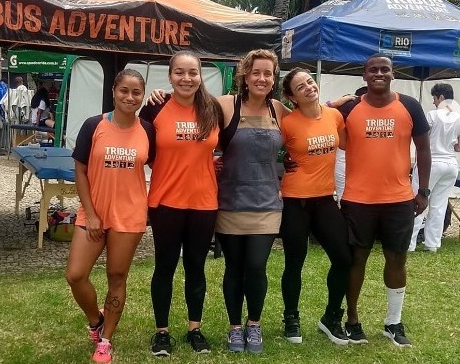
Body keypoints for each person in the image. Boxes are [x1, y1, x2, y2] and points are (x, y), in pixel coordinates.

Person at [340, 54, 431, 348]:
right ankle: (352, 320)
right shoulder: (350, 108)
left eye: (384, 69)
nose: (379, 73)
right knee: (357, 259)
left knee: (397, 258)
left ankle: (393, 322)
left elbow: (423, 149)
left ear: (393, 74)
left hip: (399, 199)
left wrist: (423, 191)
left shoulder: (410, 106)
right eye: (373, 70)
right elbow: (320, 125)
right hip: (358, 200)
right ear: (364, 76)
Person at [66, 69, 155, 364]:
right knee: (76, 275)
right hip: (94, 213)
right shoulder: (94, 125)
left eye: (136, 92)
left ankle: (105, 340)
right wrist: (91, 215)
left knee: (117, 276)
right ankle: (96, 320)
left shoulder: (148, 130)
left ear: (142, 96)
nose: (130, 97)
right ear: (114, 92)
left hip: (129, 216)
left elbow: (164, 165)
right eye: (124, 91)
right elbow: (80, 171)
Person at [139, 50, 221, 357]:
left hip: (204, 202)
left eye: (192, 72)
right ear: (170, 76)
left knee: (196, 267)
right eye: (179, 72)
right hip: (166, 202)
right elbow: (141, 149)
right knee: (165, 266)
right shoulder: (155, 107)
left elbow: (228, 143)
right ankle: (162, 332)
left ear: (200, 75)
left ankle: (194, 329)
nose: (186, 78)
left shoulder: (213, 108)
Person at [212, 49, 290, 354]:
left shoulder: (279, 110)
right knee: (234, 268)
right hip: (230, 202)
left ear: (274, 78)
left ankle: (253, 324)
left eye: (268, 73)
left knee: (256, 266)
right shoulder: (225, 105)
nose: (261, 78)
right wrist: (161, 96)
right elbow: (191, 112)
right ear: (245, 76)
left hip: (267, 204)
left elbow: (311, 119)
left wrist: (342, 102)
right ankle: (235, 327)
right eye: (256, 72)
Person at [279, 68, 351, 346]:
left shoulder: (334, 116)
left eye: (310, 82)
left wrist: (338, 103)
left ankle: (331, 317)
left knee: (343, 258)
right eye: (301, 87)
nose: (309, 87)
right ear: (291, 97)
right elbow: (267, 149)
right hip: (295, 201)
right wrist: (282, 161)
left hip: (324, 199)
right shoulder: (287, 123)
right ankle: (291, 317)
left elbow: (346, 144)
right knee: (294, 262)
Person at [409, 83, 460, 252]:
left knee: (418, 201)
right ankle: (432, 244)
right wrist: (450, 146)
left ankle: (409, 243)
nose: (433, 102)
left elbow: (422, 140)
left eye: (434, 98)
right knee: (439, 205)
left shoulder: (432, 115)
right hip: (451, 164)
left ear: (441, 97)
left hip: (431, 163)